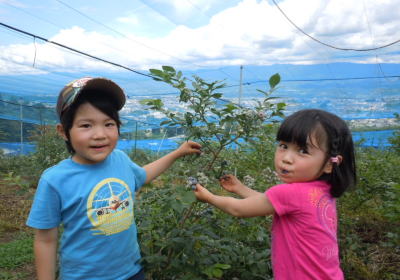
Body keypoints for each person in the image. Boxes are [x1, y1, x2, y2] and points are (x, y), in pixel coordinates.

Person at [26, 77, 202, 280]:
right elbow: (45, 240)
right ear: (64, 132)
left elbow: (143, 176)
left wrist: (177, 153)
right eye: (86, 125)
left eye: (109, 124)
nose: (100, 134)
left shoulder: (120, 159)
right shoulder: (55, 180)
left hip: (132, 272)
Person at [194, 109, 356, 279]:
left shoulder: (290, 192)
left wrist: (208, 197)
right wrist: (240, 189)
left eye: (302, 151)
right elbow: (270, 202)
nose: (286, 158)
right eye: (283, 146)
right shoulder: (322, 189)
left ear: (329, 164)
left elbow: (238, 209)